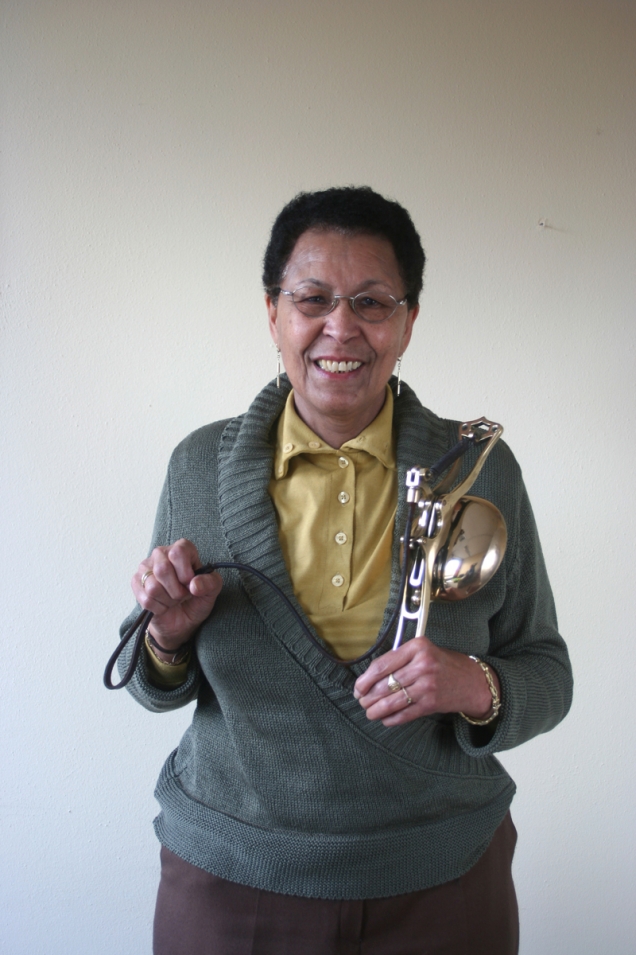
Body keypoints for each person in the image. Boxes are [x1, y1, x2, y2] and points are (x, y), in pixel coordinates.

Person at [119, 187, 572, 955]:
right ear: (273, 313)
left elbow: (548, 671)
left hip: (443, 878)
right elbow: (151, 685)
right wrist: (164, 639)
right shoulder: (199, 465)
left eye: (371, 302)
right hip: (233, 880)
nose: (341, 327)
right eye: (312, 299)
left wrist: (474, 684)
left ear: (408, 321)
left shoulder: (481, 471)